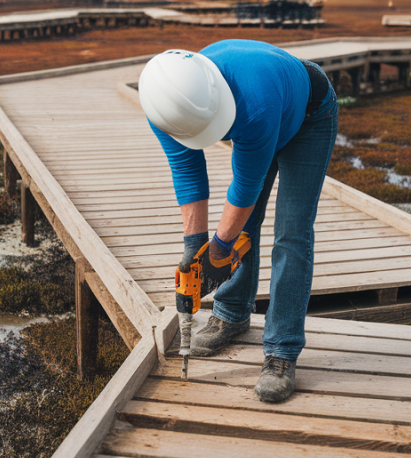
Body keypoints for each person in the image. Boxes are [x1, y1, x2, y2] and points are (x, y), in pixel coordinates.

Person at [139, 39, 337, 403]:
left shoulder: (252, 102)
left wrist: (219, 249)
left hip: (309, 115)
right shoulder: (165, 106)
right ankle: (231, 314)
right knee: (242, 227)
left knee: (291, 234)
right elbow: (186, 170)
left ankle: (281, 351)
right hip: (267, 104)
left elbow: (246, 187)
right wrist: (195, 247)